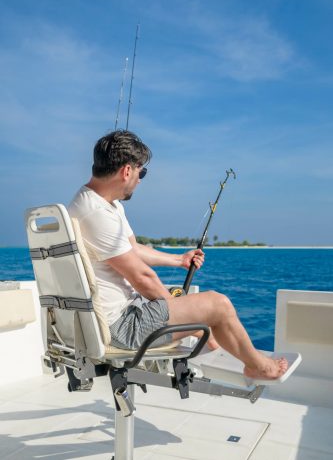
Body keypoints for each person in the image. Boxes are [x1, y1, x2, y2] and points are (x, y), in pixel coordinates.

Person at [69, 130, 288, 380]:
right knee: (218, 305)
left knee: (191, 304)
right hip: (122, 328)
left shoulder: (99, 203)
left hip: (119, 315)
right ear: (127, 171)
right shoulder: (96, 213)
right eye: (142, 171)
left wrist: (179, 260)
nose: (141, 179)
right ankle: (259, 366)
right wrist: (186, 319)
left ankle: (229, 347)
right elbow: (143, 277)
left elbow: (133, 250)